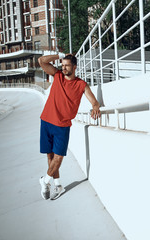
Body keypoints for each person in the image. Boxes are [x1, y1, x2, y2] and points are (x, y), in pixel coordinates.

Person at [38, 53, 101, 200]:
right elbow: (41, 61)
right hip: (46, 120)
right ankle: (58, 185)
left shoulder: (81, 85)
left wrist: (95, 106)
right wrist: (58, 55)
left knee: (58, 157)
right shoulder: (58, 75)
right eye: (63, 64)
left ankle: (44, 181)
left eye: (67, 65)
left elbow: (94, 101)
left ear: (74, 67)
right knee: (50, 156)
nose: (64, 67)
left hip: (63, 126)